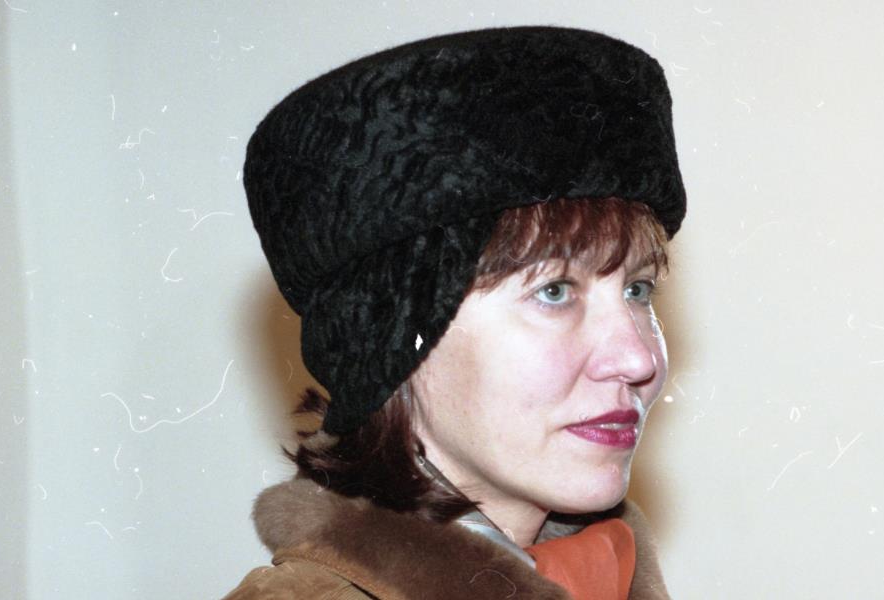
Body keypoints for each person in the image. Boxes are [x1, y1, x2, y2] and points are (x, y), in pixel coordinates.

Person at [225, 25, 686, 600]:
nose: (638, 358)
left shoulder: (603, 575)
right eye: (554, 291)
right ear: (390, 335)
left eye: (638, 290)